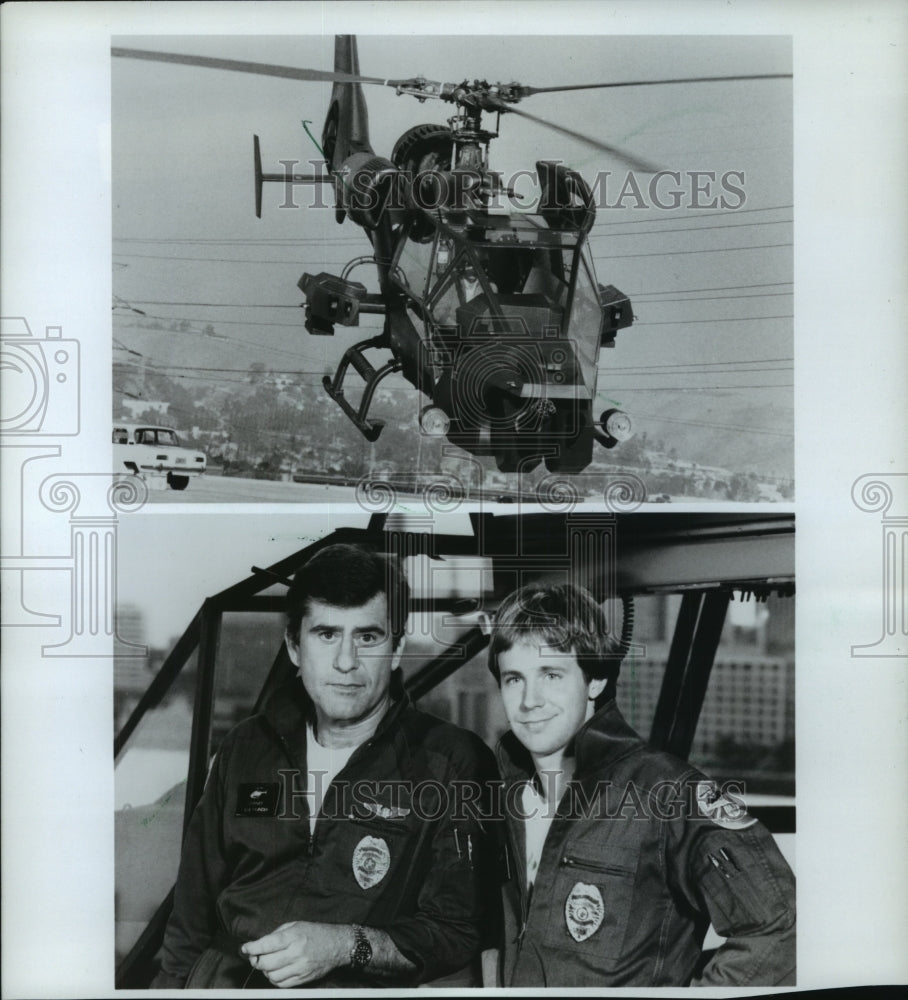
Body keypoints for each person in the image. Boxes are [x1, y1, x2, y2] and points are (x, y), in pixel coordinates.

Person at [153, 543, 498, 988]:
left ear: (396, 650)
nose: (346, 662)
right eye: (326, 634)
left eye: (368, 637)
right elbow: (190, 918)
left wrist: (342, 945)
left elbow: (456, 930)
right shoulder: (246, 746)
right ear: (295, 648)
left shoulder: (450, 763)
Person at [485, 582, 796, 987]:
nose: (529, 701)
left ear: (594, 681)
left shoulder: (666, 793)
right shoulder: (492, 794)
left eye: (551, 674)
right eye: (514, 679)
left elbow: (783, 928)